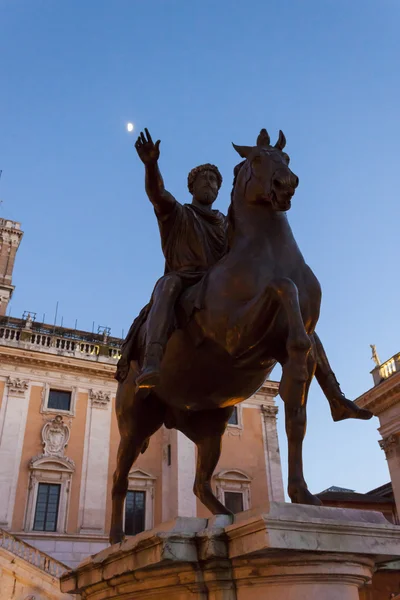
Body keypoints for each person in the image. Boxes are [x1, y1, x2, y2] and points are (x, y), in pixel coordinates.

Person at [116, 129, 227, 388]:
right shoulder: (177, 213)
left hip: (218, 281)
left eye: (215, 181)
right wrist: (151, 164)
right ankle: (153, 358)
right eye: (205, 179)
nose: (210, 184)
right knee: (167, 285)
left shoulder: (225, 223)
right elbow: (157, 194)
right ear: (192, 186)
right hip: (186, 277)